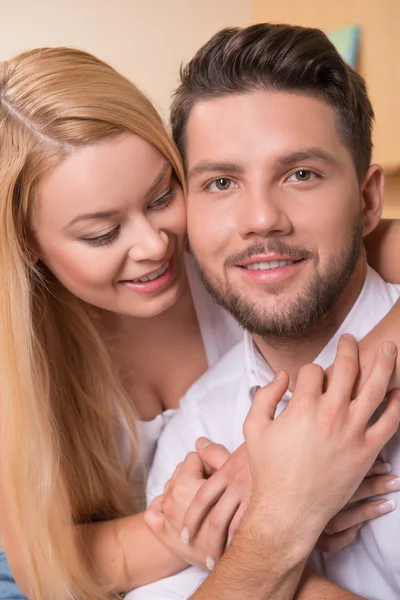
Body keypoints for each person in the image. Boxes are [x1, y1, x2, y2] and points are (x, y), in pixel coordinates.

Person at [0, 42, 399, 600]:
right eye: (101, 234)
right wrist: (262, 506)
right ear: (27, 244)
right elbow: (48, 565)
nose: (153, 245)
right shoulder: (19, 365)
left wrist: (307, 425)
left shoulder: (246, 259)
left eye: (164, 195)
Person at [126, 23, 400, 600]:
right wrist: (284, 522)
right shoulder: (196, 439)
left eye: (301, 174)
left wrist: (259, 545)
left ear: (369, 200)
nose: (261, 219)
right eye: (221, 182)